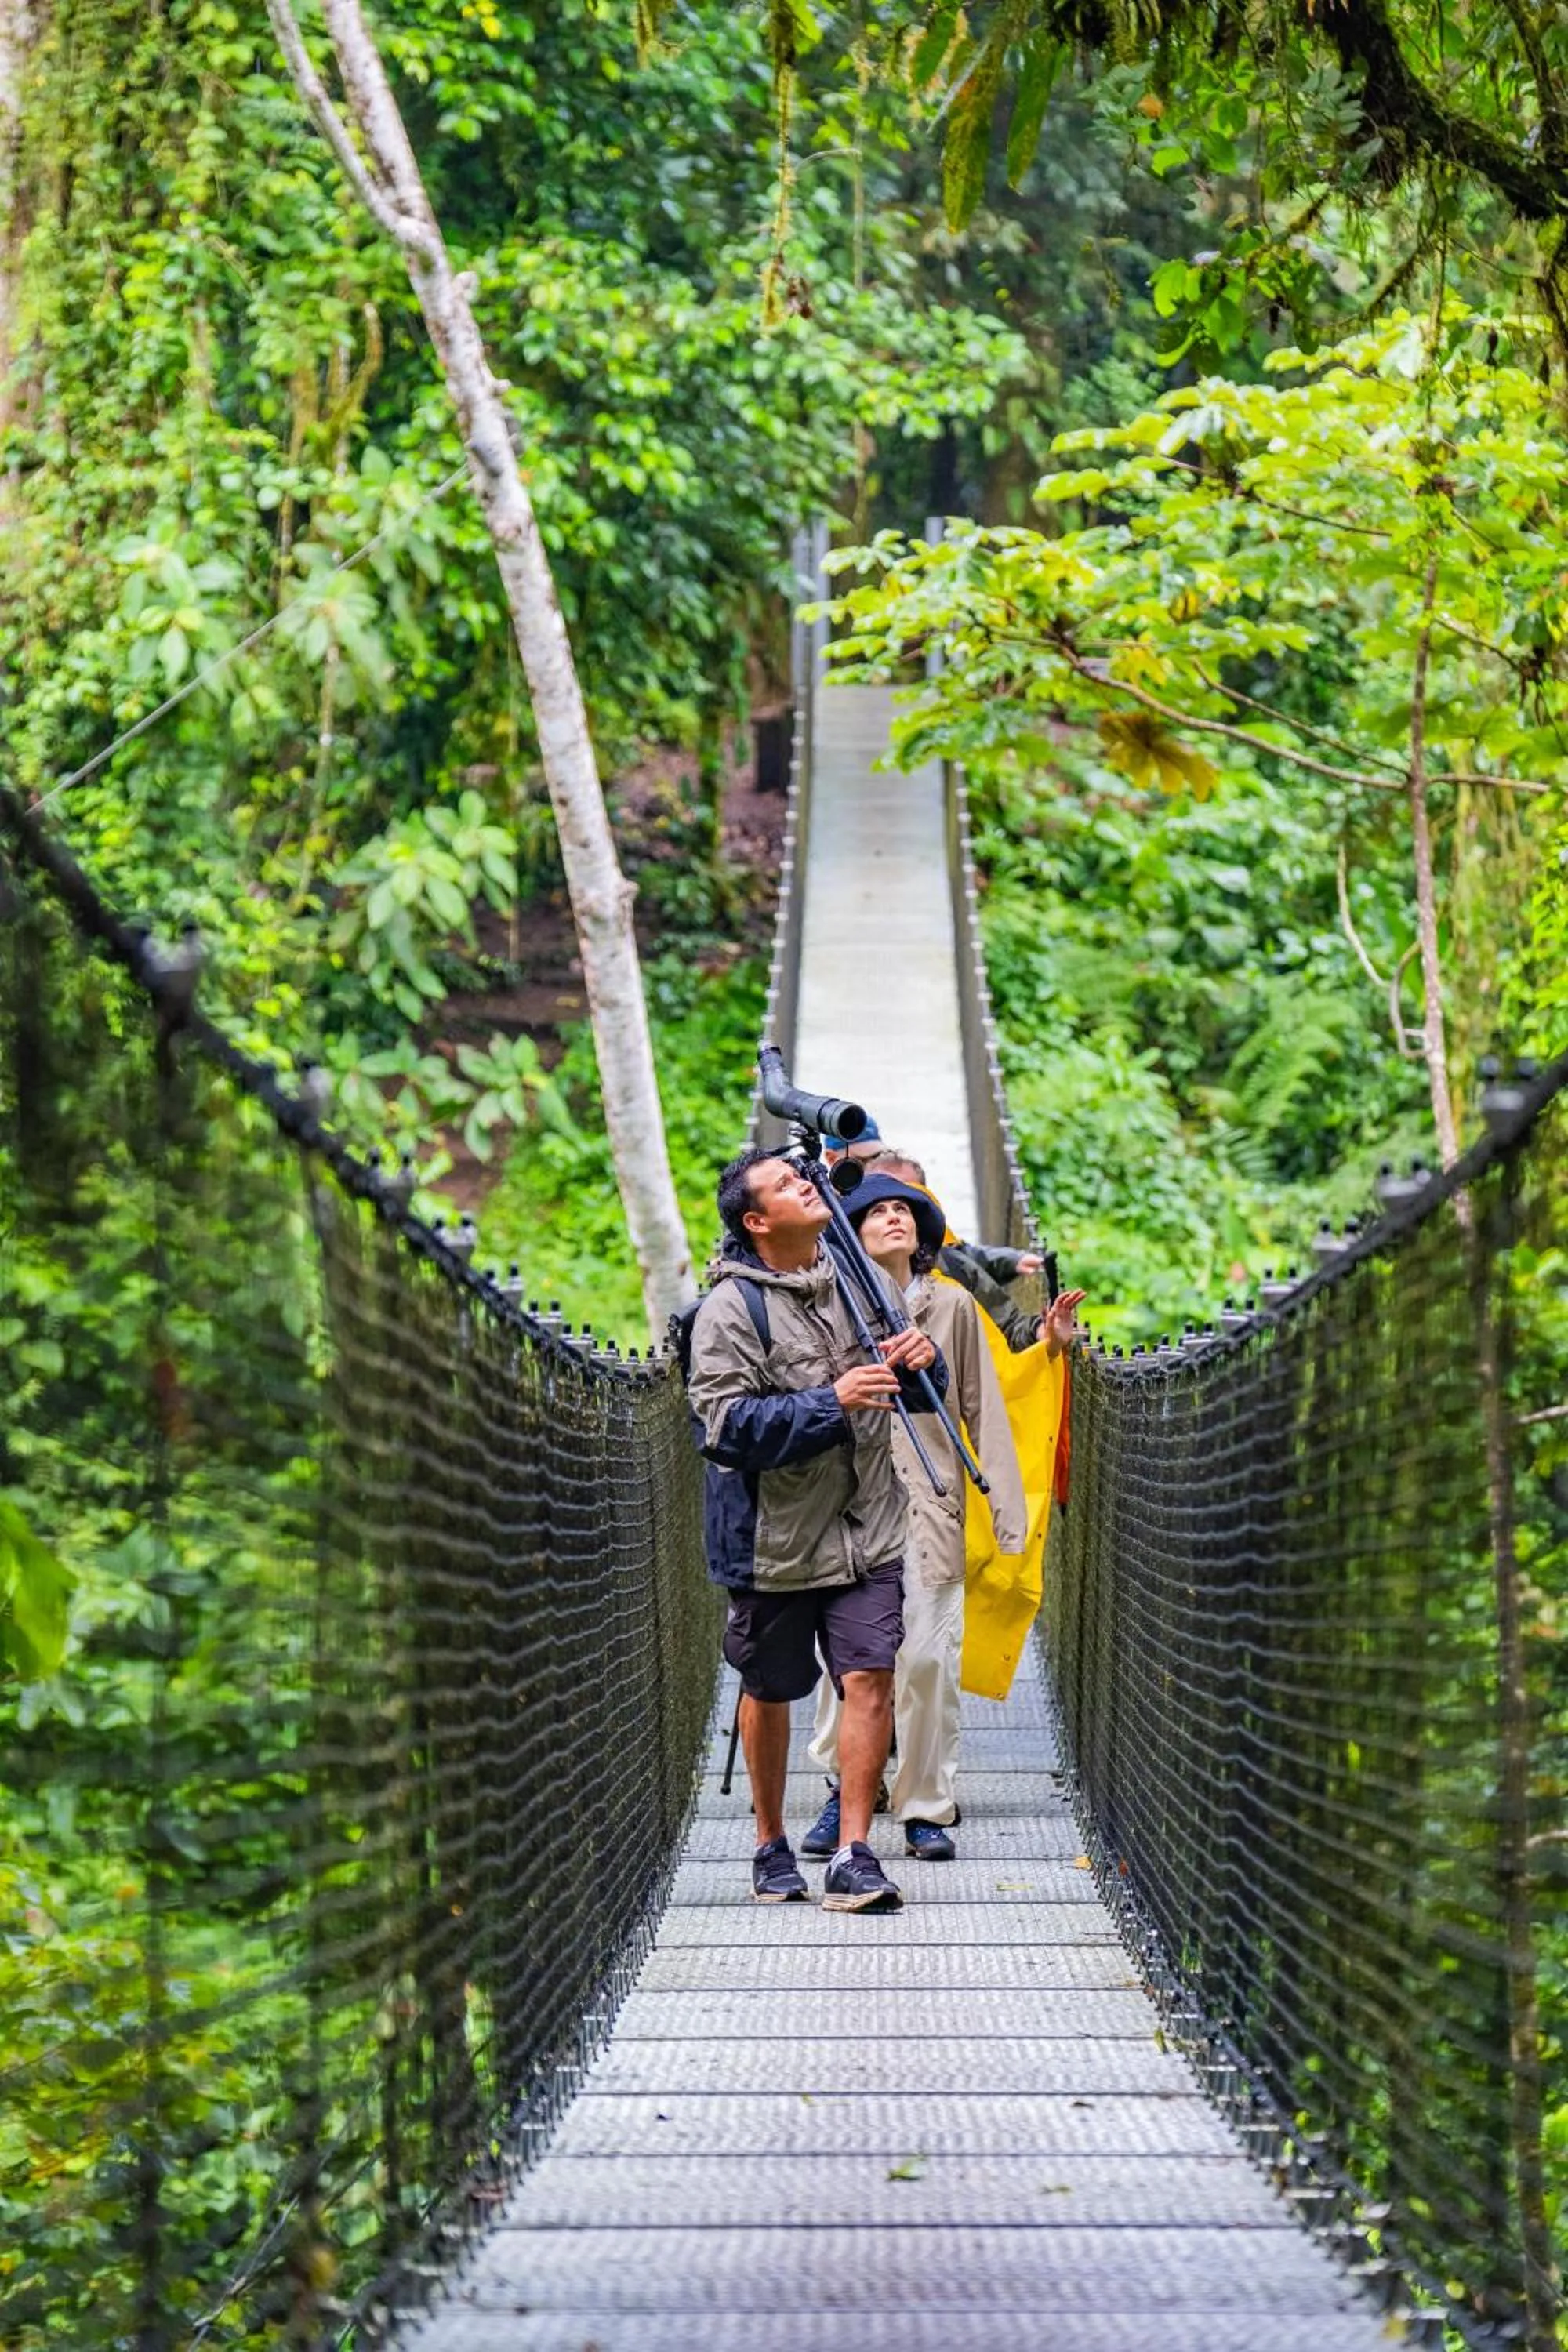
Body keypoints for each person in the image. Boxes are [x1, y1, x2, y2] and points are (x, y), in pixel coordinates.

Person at [686, 1146, 946, 1913]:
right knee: (771, 1688)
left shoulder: (859, 1283)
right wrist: (832, 1401)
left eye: (803, 1177)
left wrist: (919, 1360)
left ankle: (851, 1853)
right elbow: (725, 1429)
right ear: (759, 1221)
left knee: (868, 1676)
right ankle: (769, 1844)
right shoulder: (728, 1311)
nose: (809, 1186)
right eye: (787, 1186)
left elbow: (914, 1395)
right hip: (774, 1541)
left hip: (868, 1522)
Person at [803, 1171, 1030, 1860]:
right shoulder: (826, 1304)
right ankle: (850, 1790)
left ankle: (925, 1803)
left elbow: (983, 1409)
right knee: (853, 1662)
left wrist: (1006, 1514)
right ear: (852, 1234)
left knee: (928, 1657)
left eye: (905, 1210)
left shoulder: (954, 1307)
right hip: (849, 1506)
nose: (895, 1217)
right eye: (877, 1212)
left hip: (931, 1506)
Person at [868, 1149, 1042, 1353]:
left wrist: (1042, 1331)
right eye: (878, 1208)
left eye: (903, 1206)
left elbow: (1008, 1326)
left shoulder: (954, 1272)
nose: (893, 1217)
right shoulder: (839, 1283)